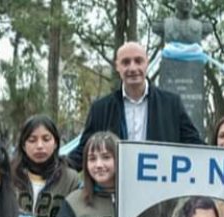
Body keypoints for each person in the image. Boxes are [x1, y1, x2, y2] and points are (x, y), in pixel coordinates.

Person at [67, 41, 203, 171]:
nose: (132, 68)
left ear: (147, 63)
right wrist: (55, 169)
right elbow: (84, 150)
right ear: (117, 66)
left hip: (160, 189)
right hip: (114, 189)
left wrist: (222, 157)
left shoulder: (171, 104)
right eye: (126, 62)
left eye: (138, 61)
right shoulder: (100, 109)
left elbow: (195, 145)